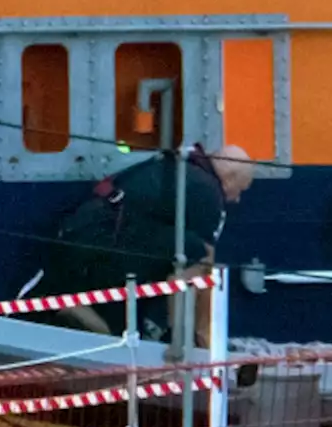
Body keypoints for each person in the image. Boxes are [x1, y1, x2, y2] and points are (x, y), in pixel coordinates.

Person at [26, 144, 255, 343]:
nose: (237, 199)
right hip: (108, 245)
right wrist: (206, 336)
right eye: (240, 190)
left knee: (116, 322)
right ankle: (181, 343)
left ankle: (66, 304)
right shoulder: (208, 193)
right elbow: (207, 262)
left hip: (81, 235)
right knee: (194, 253)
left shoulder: (177, 167)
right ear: (230, 178)